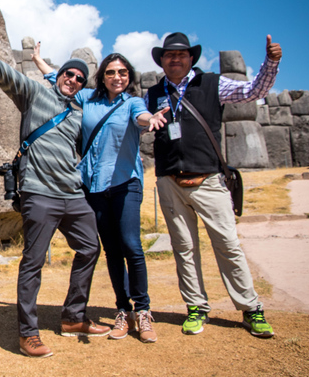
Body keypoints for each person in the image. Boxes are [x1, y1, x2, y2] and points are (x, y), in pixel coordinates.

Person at [0, 34, 109, 358]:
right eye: (68, 74)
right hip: (39, 193)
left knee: (89, 247)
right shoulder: (34, 93)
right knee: (33, 262)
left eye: (79, 78)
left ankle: (73, 317)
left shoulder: (78, 111)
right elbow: (8, 76)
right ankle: (28, 334)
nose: (72, 80)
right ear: (58, 76)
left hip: (72, 195)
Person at [145, 32, 282, 338]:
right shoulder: (153, 94)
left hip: (207, 180)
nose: (175, 59)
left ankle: (251, 309)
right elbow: (140, 123)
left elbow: (252, 90)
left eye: (181, 54)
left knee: (228, 246)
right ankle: (196, 307)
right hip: (170, 182)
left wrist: (271, 62)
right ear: (162, 60)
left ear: (190, 58)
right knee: (184, 249)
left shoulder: (213, 84)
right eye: (169, 55)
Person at [32, 45, 168, 343]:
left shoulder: (132, 102)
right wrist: (39, 61)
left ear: (128, 76)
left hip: (125, 184)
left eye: (122, 72)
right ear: (102, 77)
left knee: (131, 246)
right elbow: (60, 78)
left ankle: (143, 311)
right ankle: (123, 310)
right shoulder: (87, 100)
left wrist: (152, 120)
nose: (117, 77)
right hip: (94, 188)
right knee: (111, 251)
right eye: (111, 73)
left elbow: (143, 117)